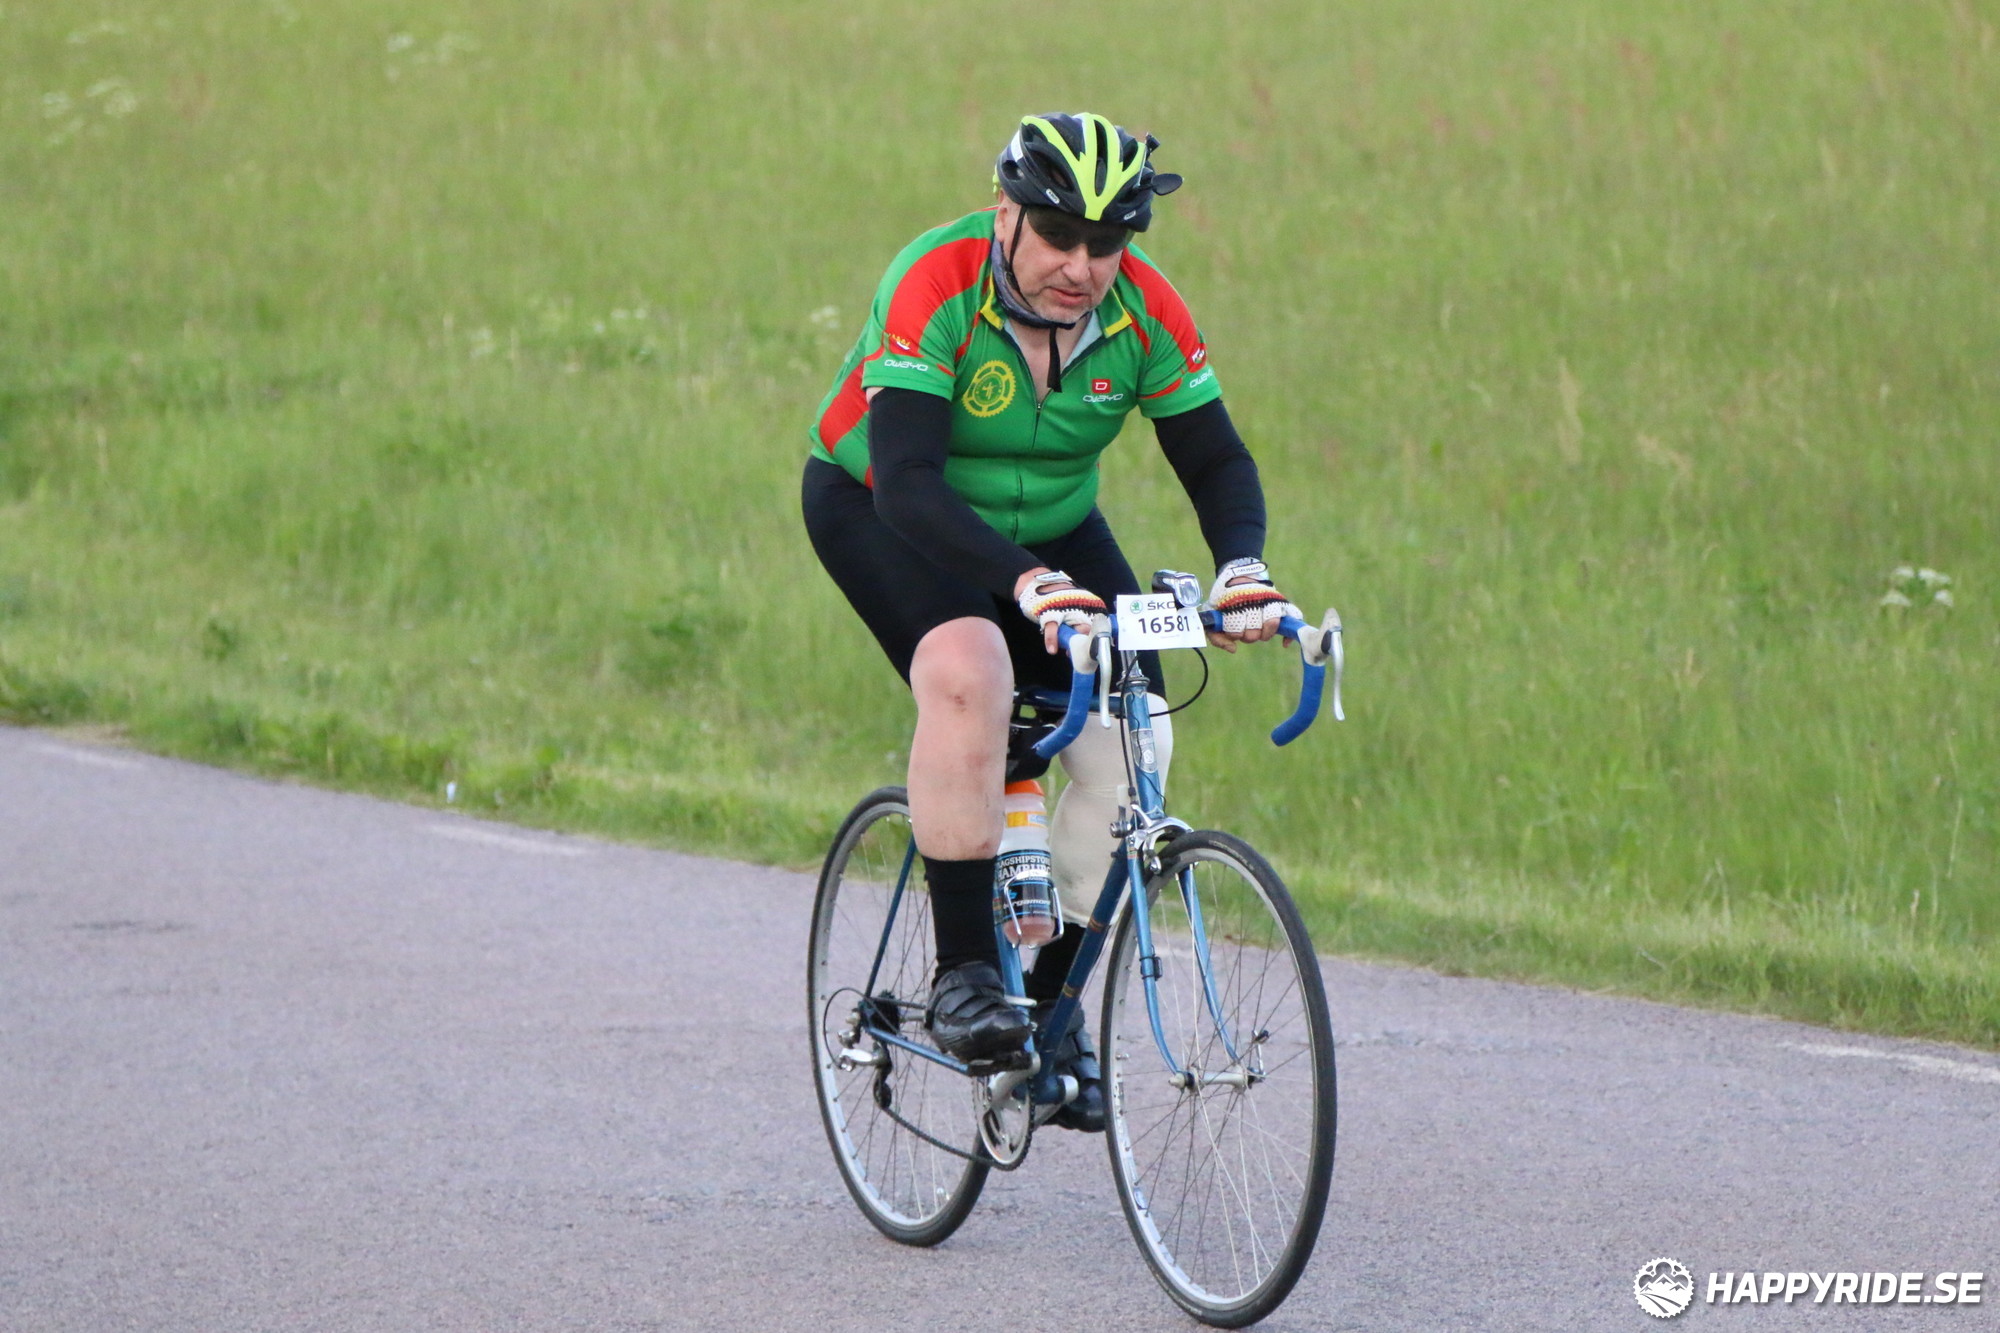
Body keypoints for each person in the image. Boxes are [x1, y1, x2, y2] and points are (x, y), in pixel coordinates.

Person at [802, 112, 1302, 1132]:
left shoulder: (1143, 310)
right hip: (886, 504)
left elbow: (1213, 457)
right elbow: (907, 478)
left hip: (1053, 521)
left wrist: (1243, 568)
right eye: (1059, 237)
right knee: (972, 671)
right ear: (1006, 213)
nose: (1081, 267)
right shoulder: (934, 280)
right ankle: (964, 977)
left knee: (1134, 727)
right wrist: (1026, 584)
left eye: (1106, 244)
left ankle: (1055, 1004)